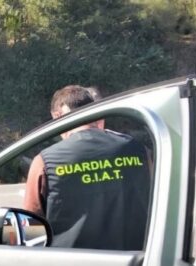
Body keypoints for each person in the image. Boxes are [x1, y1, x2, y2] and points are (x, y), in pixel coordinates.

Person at [23, 85, 150, 250]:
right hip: (135, 263)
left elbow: (29, 228)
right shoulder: (138, 150)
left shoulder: (45, 162)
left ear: (57, 116)